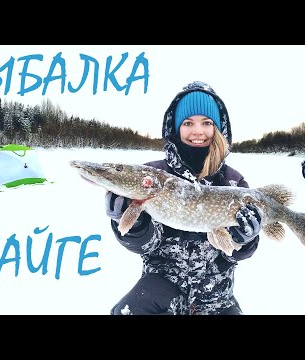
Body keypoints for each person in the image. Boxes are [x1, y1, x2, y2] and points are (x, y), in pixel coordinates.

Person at [105, 81, 262, 315]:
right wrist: (133, 224)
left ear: (218, 129)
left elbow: (238, 252)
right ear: (176, 127)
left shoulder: (233, 182)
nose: (197, 131)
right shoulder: (153, 175)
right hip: (161, 283)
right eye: (188, 123)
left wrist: (245, 238)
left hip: (216, 294)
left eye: (207, 123)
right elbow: (145, 245)